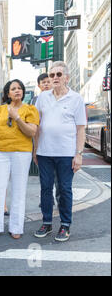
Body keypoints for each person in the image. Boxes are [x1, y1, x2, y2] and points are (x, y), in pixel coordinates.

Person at [33, 62, 87, 242]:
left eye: (58, 74)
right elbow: (37, 126)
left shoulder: (76, 98)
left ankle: (65, 225)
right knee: (46, 189)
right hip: (44, 152)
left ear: (66, 78)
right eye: (52, 75)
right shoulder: (42, 98)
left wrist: (78, 154)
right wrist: (35, 149)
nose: (54, 78)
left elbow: (80, 129)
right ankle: (46, 222)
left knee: (64, 189)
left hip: (66, 153)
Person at [0, 79, 39, 239]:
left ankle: (16, 227)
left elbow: (31, 132)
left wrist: (17, 118)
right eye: (13, 88)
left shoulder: (30, 109)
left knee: (19, 189)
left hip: (22, 153)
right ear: (7, 93)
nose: (17, 90)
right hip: (1, 152)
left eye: (20, 88)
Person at [32, 72, 61, 208]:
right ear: (39, 85)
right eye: (43, 82)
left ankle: (60, 201)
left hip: (59, 147)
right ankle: (47, 201)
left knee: (59, 178)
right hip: (43, 144)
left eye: (48, 81)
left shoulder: (60, 98)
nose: (46, 84)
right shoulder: (36, 101)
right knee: (45, 178)